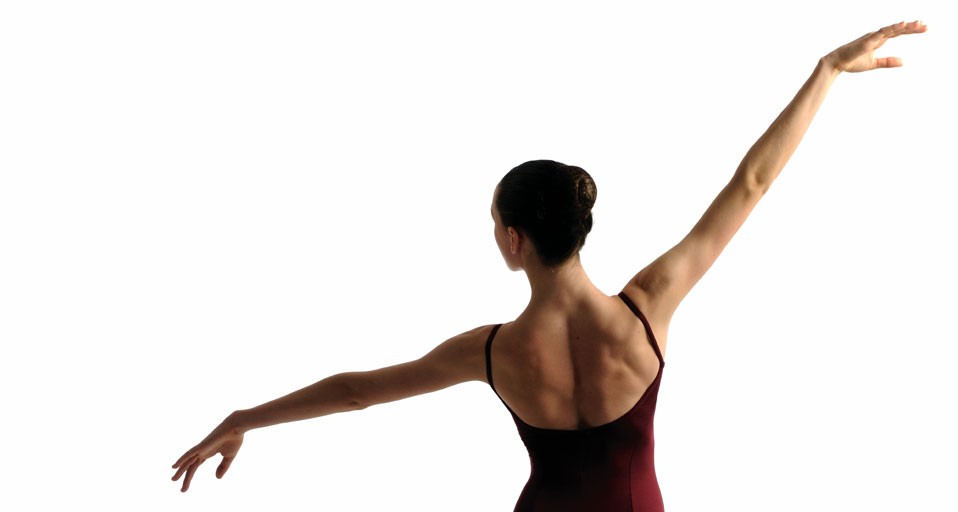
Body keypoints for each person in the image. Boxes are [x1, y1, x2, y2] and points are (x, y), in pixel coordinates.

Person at [172, 20, 927, 511]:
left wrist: (243, 419)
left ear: (514, 240)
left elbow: (357, 393)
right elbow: (751, 183)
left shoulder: (491, 353)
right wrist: (827, 70)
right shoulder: (648, 308)